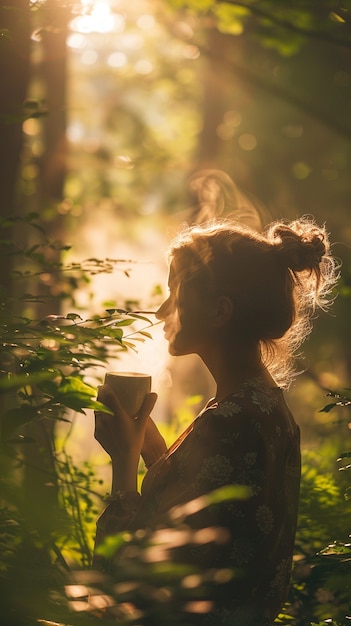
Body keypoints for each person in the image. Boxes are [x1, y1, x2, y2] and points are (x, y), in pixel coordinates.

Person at [93, 217, 337, 625]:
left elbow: (130, 582)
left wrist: (123, 463)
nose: (161, 309)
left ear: (220, 310)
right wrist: (153, 453)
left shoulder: (230, 423)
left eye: (176, 291)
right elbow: (206, 520)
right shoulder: (263, 408)